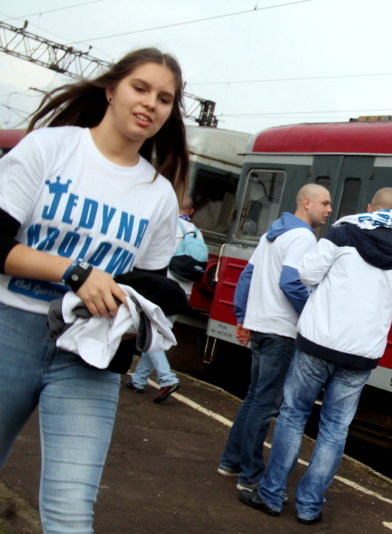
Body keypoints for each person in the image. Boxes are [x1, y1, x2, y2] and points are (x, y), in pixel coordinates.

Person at [0, 48, 188, 533]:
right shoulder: (51, 149)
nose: (151, 104)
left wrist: (134, 321)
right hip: (9, 328)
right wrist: (75, 272)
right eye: (140, 88)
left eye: (165, 99)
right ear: (112, 89)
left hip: (88, 354)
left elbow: (152, 286)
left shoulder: (158, 195)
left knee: (70, 514)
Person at [239, 187, 392, 525]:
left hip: (318, 343)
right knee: (335, 430)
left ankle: (271, 495)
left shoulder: (341, 233)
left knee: (293, 415)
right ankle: (309, 507)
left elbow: (306, 274)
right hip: (361, 355)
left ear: (369, 207)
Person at [217, 184, 332, 493]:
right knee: (265, 404)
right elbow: (292, 283)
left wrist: (242, 316)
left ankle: (231, 460)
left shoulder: (273, 233)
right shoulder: (304, 237)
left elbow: (247, 276)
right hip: (281, 330)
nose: (329, 209)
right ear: (306, 202)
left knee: (254, 397)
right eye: (324, 203)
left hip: (260, 325)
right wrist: (312, 316)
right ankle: (251, 474)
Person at [126, 196, 202, 403]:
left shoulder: (170, 227)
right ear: (191, 211)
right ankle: (139, 380)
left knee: (152, 334)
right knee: (156, 333)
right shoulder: (195, 232)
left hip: (163, 289)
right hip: (183, 293)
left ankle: (167, 379)